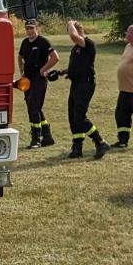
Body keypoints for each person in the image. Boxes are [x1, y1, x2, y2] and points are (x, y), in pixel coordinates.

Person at [56, 19, 108, 159]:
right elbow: (76, 66)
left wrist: (70, 23)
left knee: (79, 116)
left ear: (79, 31)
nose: (70, 36)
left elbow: (74, 36)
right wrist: (61, 72)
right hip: (76, 83)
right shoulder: (76, 48)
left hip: (86, 83)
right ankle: (77, 147)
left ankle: (100, 142)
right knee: (73, 116)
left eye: (71, 31)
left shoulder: (87, 44)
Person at [16, 18, 58, 148]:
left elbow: (55, 57)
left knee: (33, 107)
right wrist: (21, 71)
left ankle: (36, 139)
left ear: (37, 29)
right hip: (28, 80)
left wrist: (44, 69)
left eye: (31, 28)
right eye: (27, 28)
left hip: (39, 80)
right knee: (35, 107)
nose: (29, 31)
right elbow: (20, 56)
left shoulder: (43, 42)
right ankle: (47, 137)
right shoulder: (25, 42)